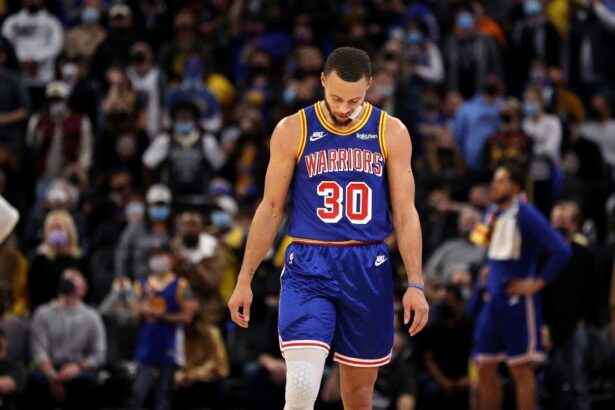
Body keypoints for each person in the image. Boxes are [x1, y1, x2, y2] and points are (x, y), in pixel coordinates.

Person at [228, 47, 429, 409]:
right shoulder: (293, 128)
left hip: (368, 265)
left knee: (358, 396)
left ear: (369, 86)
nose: (344, 107)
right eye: (336, 97)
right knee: (302, 386)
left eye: (354, 99)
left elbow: (405, 212)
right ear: (322, 81)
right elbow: (271, 208)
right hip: (310, 262)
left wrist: (415, 283)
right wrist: (245, 278)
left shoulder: (392, 131)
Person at [470, 161, 572, 410]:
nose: (494, 185)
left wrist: (536, 283)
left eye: (501, 180)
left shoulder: (527, 214)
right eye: (494, 180)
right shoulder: (493, 212)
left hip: (517, 303)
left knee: (520, 369)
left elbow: (561, 250)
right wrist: (489, 270)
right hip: (493, 301)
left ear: (515, 185)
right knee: (484, 366)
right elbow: (493, 250)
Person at [128, 242, 197, 410]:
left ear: (171, 259)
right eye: (153, 256)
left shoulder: (181, 285)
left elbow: (187, 317)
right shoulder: (141, 285)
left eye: (160, 256)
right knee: (139, 391)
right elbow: (133, 317)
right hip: (147, 342)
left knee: (164, 394)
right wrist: (143, 308)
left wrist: (162, 316)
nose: (157, 260)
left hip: (170, 341)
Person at [26, 269, 106, 410]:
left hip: (78, 369)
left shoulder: (92, 317)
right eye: (66, 278)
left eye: (74, 278)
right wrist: (53, 376)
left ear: (83, 290)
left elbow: (99, 354)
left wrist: (78, 367)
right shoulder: (42, 313)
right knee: (35, 381)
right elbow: (38, 350)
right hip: (48, 368)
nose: (69, 281)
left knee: (88, 382)